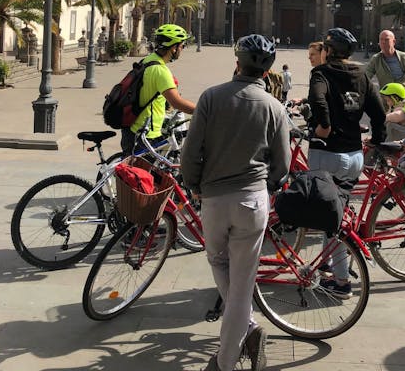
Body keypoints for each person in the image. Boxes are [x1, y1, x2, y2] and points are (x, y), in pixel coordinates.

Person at [181, 34, 291, 371]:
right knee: (243, 284)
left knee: (217, 260)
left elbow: (190, 152)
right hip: (253, 200)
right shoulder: (274, 107)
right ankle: (249, 330)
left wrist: (194, 186)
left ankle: (224, 363)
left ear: (237, 62)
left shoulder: (211, 98)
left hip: (213, 199)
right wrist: (267, 186)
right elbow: (283, 163)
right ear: (268, 71)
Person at [308, 27, 386, 297]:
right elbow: (378, 111)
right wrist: (378, 139)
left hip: (327, 154)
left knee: (330, 218)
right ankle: (328, 266)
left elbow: (318, 99)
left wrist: (325, 126)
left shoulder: (322, 73)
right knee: (333, 213)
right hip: (354, 156)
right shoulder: (362, 75)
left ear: (328, 51)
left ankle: (341, 282)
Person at [121, 23, 196, 157]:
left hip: (133, 127)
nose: (182, 49)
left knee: (133, 173)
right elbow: (177, 102)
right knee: (141, 176)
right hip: (146, 133)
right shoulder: (160, 70)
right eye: (182, 46)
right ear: (174, 48)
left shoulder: (147, 60)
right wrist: (204, 111)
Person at [365, 29, 405, 97]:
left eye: (387, 40)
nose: (383, 42)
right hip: (388, 99)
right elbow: (366, 76)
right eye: (381, 40)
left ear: (394, 42)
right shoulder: (376, 59)